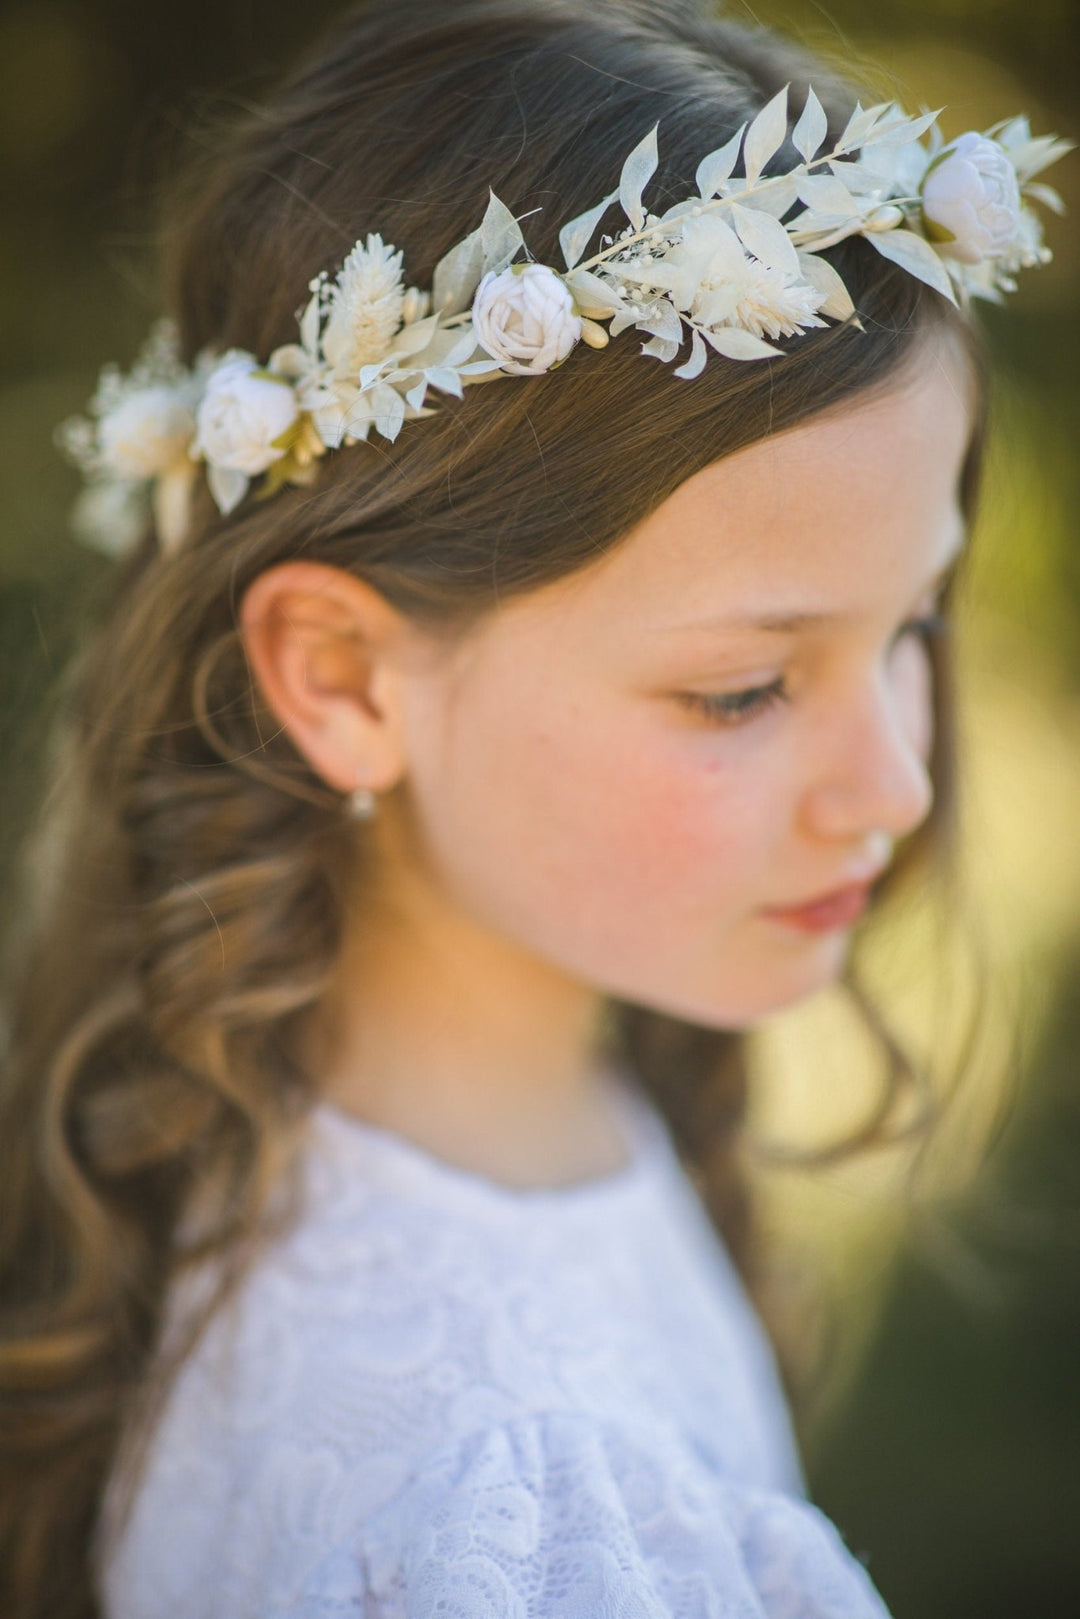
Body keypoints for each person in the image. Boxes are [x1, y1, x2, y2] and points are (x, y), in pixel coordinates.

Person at [0, 0, 1069, 1615]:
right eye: (742, 690)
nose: (900, 782)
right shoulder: (514, 1502)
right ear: (347, 678)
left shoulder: (297, 1114)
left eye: (913, 627)